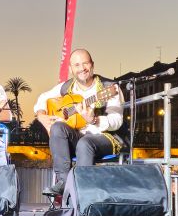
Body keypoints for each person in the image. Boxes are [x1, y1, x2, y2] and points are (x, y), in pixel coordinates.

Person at [34, 49, 125, 196]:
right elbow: (43, 98)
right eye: (76, 65)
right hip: (78, 136)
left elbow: (117, 121)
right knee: (57, 127)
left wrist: (94, 120)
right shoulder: (66, 86)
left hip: (106, 137)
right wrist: (41, 115)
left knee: (85, 143)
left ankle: (83, 192)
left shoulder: (109, 87)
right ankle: (64, 182)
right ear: (71, 69)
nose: (82, 68)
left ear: (92, 65)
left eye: (85, 64)